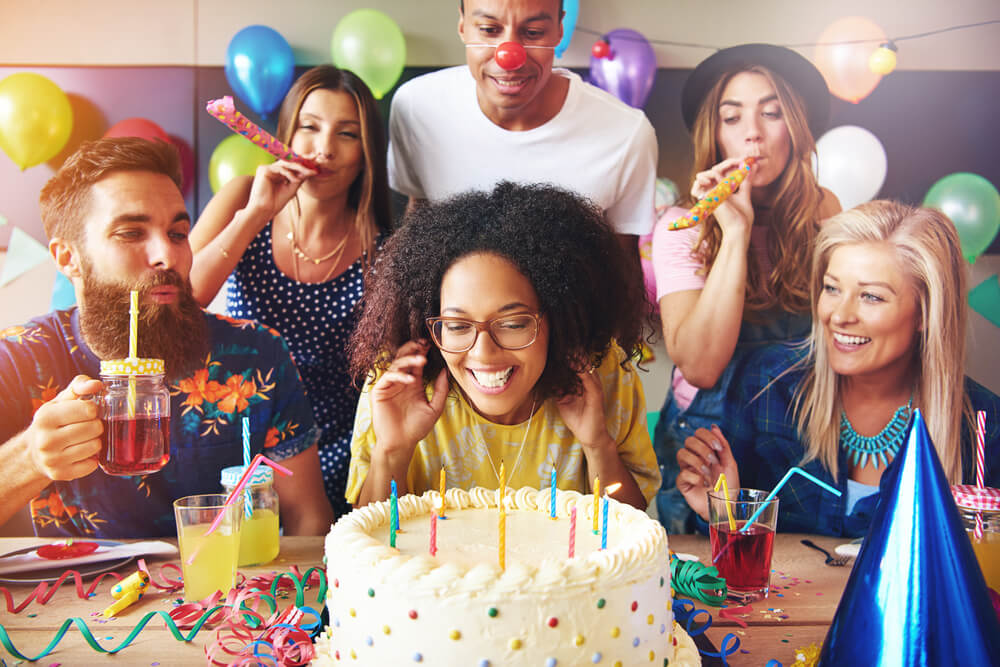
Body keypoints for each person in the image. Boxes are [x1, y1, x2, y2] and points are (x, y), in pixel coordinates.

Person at [0, 137, 334, 538]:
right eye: (130, 233)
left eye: (177, 233)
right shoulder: (21, 358)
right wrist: (31, 458)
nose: (167, 255)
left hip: (226, 595)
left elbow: (309, 520)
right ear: (68, 257)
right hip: (70, 597)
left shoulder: (256, 354)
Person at [676, 201, 1000, 536]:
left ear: (924, 313)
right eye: (832, 288)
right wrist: (721, 515)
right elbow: (731, 567)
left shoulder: (983, 427)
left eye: (871, 297)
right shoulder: (768, 383)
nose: (839, 315)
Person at [344, 182, 660, 510]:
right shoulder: (397, 384)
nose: (483, 353)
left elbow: (630, 527)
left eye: (512, 324)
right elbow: (367, 539)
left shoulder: (602, 376)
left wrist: (598, 446)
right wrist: (393, 450)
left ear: (559, 318)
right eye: (456, 326)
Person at [650, 43, 842, 532]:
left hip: (802, 426)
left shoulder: (824, 214)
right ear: (714, 136)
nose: (753, 133)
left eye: (772, 113)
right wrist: (734, 232)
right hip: (708, 436)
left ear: (795, 127)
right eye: (731, 118)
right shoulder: (682, 225)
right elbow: (701, 365)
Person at [189, 66, 392, 518]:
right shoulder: (241, 198)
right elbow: (184, 300)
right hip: (234, 438)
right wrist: (255, 215)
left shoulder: (384, 250)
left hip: (328, 454)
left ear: (366, 153)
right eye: (310, 127)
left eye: (347, 134)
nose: (324, 150)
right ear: (285, 133)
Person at [387, 0, 658, 260]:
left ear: (559, 30)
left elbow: (623, 276)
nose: (509, 57)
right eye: (489, 30)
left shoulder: (627, 134)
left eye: (533, 32)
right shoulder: (415, 107)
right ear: (462, 25)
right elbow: (418, 223)